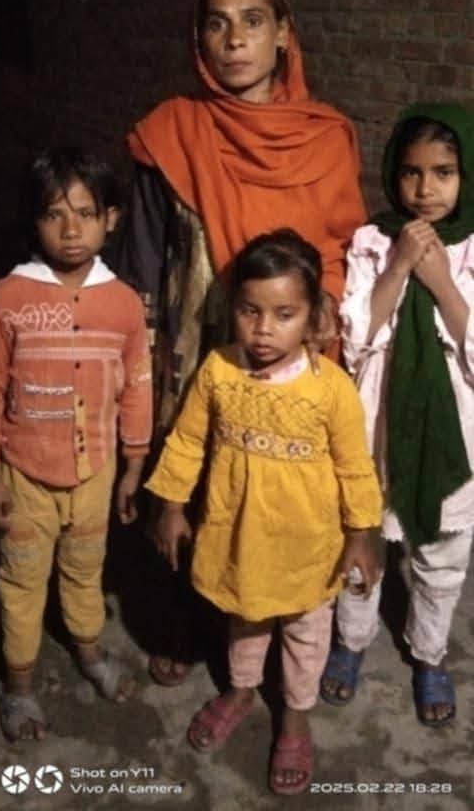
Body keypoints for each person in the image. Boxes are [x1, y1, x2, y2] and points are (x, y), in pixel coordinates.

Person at [117, 0, 367, 684]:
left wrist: (322, 317)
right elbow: (141, 258)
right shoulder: (172, 132)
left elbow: (341, 245)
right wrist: (138, 357)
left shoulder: (326, 136)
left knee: (278, 492)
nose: (234, 40)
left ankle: (288, 624)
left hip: (292, 346)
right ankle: (187, 624)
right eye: (216, 24)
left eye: (252, 21)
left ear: (283, 32)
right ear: (198, 38)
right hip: (194, 346)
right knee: (191, 478)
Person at [147, 229, 382, 795]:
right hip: (240, 539)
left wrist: (362, 533)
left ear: (313, 316)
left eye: (284, 314)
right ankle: (240, 689)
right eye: (250, 311)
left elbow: (356, 468)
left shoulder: (331, 390)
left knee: (305, 636)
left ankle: (296, 716)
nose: (263, 329)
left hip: (308, 548)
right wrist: (172, 506)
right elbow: (187, 442)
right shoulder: (218, 371)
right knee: (245, 622)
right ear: (233, 307)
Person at [0, 147, 152, 741]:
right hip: (24, 474)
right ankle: (18, 685)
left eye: (85, 213)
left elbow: (137, 385)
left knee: (85, 570)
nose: (71, 229)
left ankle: (88, 650)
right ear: (34, 222)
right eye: (54, 214)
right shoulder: (7, 298)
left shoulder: (124, 303)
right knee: (22, 579)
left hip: (95, 474)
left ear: (111, 219)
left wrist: (133, 466)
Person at [320, 103, 474, 728]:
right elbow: (356, 336)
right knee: (364, 534)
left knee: (440, 551)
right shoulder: (375, 241)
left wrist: (441, 281)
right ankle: (352, 639)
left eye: (444, 173)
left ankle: (429, 653)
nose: (425, 189)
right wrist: (402, 265)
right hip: (377, 419)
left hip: (453, 427)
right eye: (412, 172)